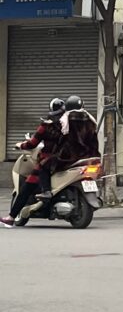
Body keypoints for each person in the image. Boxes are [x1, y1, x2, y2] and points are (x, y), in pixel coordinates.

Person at [1, 97, 67, 228]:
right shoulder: (68, 126)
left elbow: (32, 143)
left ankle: (11, 217)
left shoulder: (45, 127)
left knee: (26, 189)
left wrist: (21, 145)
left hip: (48, 161)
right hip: (66, 160)